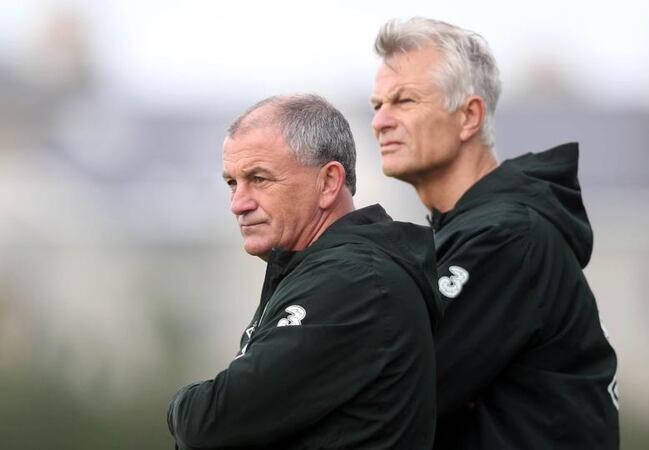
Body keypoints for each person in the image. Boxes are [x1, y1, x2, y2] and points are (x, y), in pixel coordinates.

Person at [370, 18, 620, 449]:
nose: (380, 121)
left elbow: (389, 395)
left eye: (404, 100)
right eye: (377, 105)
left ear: (469, 116)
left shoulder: (507, 237)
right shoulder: (482, 229)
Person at [167, 94, 439, 450]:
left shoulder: (353, 280)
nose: (238, 204)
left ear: (328, 183)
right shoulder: (321, 270)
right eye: (232, 183)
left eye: (259, 179)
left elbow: (210, 423)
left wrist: (180, 407)